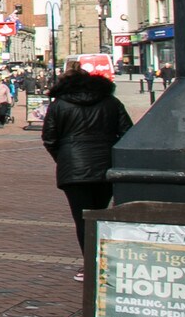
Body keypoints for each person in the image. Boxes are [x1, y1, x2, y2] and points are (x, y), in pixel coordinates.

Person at [41, 63, 133, 280]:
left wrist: (64, 158)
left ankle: (90, 264)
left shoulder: (59, 105)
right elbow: (128, 132)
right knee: (100, 213)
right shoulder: (111, 102)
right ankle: (103, 260)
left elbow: (49, 138)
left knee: (82, 219)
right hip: (106, 166)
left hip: (73, 168)